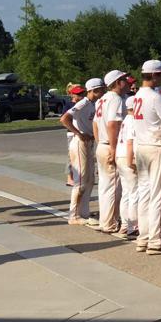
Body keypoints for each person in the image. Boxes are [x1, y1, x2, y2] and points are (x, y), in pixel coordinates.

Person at [133, 61, 161, 255]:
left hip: (141, 145)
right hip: (156, 146)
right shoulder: (155, 96)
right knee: (158, 194)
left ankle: (144, 236)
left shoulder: (137, 95)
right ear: (154, 75)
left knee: (145, 193)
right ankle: (155, 239)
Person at [61, 79, 103, 225]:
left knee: (90, 179)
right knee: (81, 180)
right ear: (93, 90)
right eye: (100, 90)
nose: (102, 92)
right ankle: (73, 215)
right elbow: (64, 119)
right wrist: (78, 133)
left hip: (88, 142)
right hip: (80, 143)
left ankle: (83, 212)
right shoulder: (83, 103)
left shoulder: (93, 104)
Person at [92, 69, 128, 234]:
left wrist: (99, 142)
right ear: (117, 82)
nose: (127, 82)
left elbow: (95, 124)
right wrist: (113, 148)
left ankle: (105, 221)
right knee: (113, 187)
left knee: (105, 187)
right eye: (124, 79)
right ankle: (110, 223)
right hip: (110, 144)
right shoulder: (115, 99)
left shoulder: (102, 99)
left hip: (102, 144)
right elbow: (113, 124)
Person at [113, 80, 138, 240]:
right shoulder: (133, 121)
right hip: (127, 156)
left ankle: (125, 224)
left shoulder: (125, 120)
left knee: (127, 193)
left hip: (119, 155)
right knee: (134, 192)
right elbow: (130, 142)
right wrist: (131, 161)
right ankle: (132, 226)